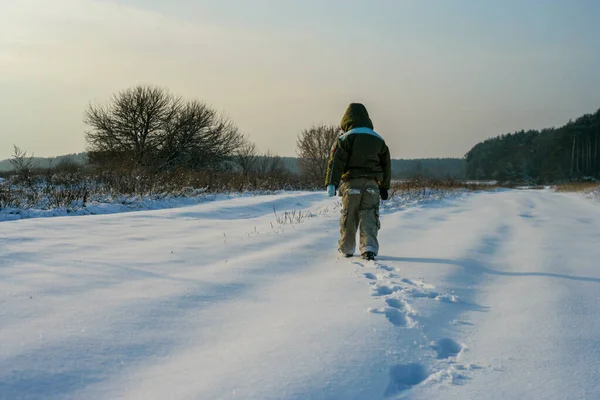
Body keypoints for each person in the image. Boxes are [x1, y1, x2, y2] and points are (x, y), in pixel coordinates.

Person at [325, 103, 391, 261]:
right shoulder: (378, 140)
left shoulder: (345, 138)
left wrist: (332, 183)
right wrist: (384, 186)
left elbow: (336, 162)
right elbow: (386, 164)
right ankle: (369, 248)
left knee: (349, 216)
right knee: (369, 215)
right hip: (372, 186)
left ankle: (347, 248)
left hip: (352, 184)